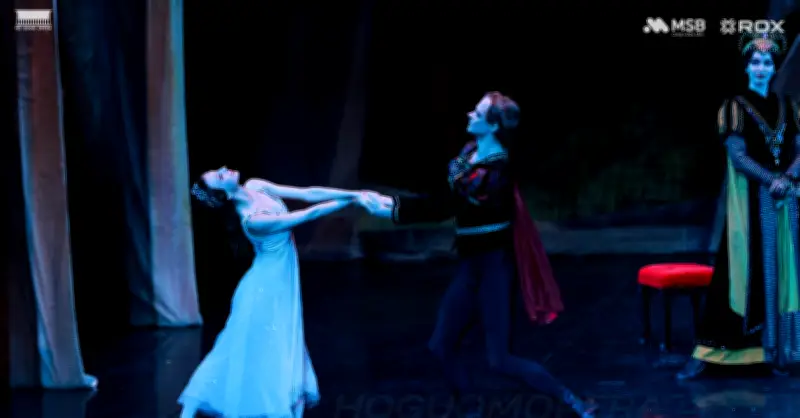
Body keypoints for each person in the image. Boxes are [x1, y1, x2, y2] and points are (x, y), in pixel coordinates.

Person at [358, 92, 596, 417]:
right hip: (471, 266)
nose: (470, 114)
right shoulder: (470, 153)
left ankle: (573, 401)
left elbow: (447, 206)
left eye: (479, 112)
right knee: (441, 345)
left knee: (500, 360)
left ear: (493, 126)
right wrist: (389, 205)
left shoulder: (496, 170)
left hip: (495, 267)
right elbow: (445, 197)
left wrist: (391, 210)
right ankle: (471, 410)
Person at [179, 166, 366, 418]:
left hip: (280, 282)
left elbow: (308, 193)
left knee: (281, 342)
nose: (224, 169)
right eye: (220, 176)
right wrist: (354, 200)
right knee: (248, 346)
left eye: (218, 170)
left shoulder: (256, 185)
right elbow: (308, 213)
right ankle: (194, 409)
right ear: (224, 194)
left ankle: (287, 403)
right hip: (264, 288)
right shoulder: (253, 219)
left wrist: (352, 193)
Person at [677, 33, 800, 381]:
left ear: (774, 68)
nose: (761, 68)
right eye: (755, 62)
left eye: (767, 63)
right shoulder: (735, 107)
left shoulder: (789, 107)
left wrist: (789, 177)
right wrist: (772, 180)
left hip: (785, 202)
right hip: (753, 202)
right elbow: (738, 156)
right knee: (741, 272)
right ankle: (717, 351)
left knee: (784, 271)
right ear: (747, 68)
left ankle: (778, 351)